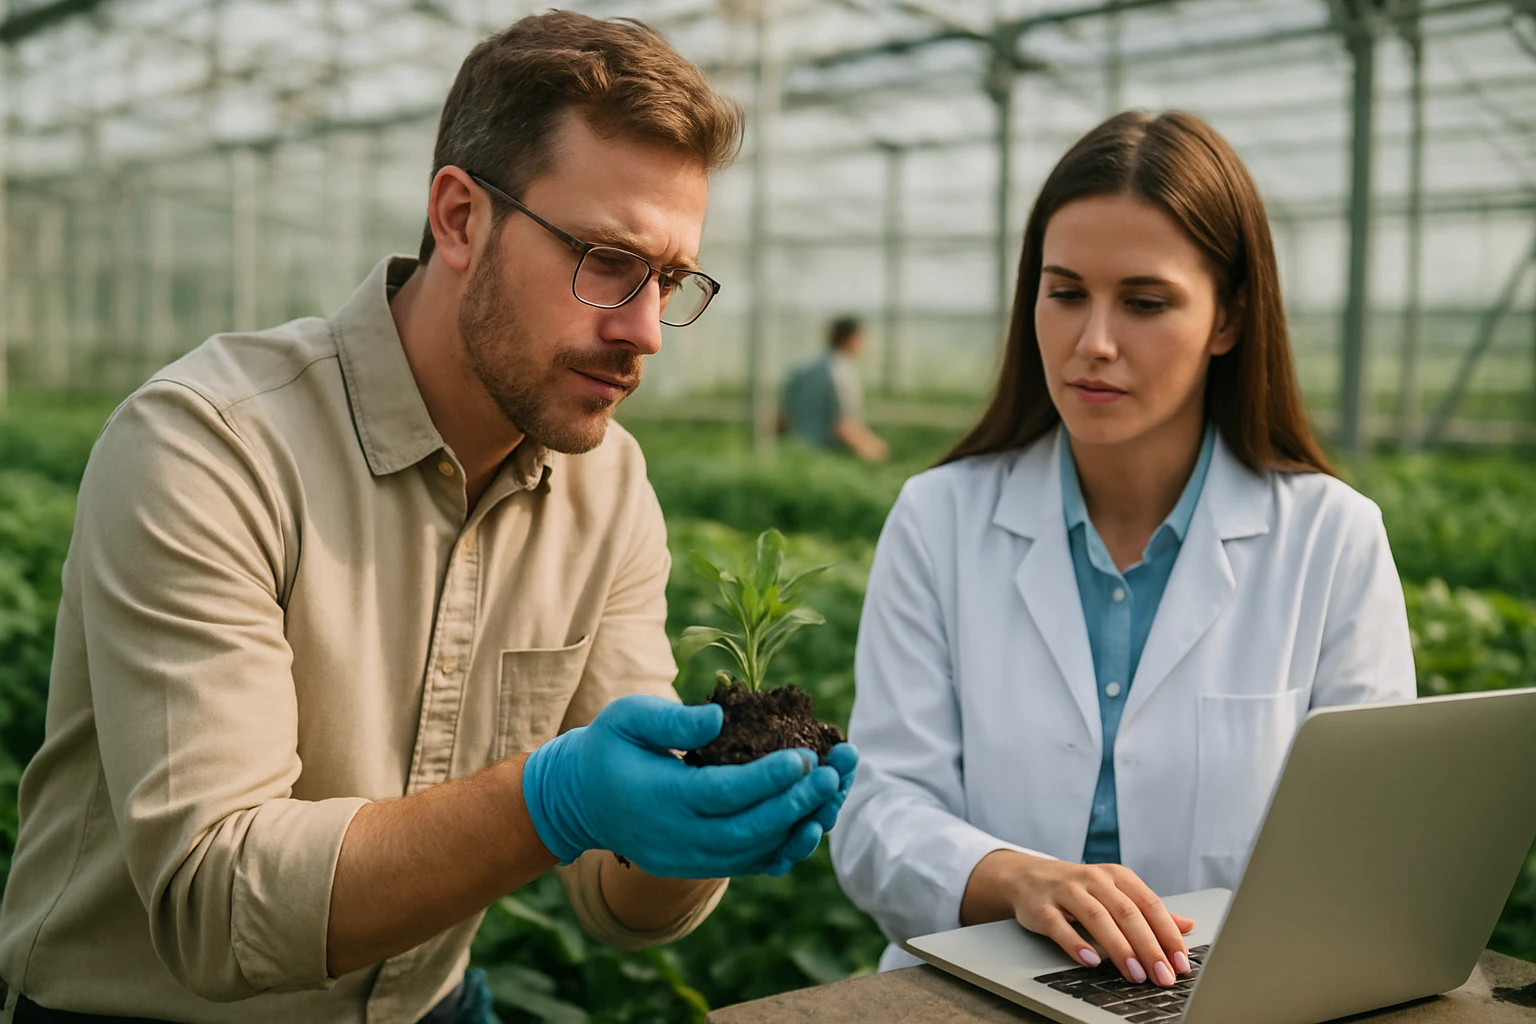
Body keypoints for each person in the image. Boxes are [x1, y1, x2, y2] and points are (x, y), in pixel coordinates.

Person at [0, 13, 856, 1023]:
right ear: (459, 217)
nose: (642, 330)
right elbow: (215, 906)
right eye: (607, 260)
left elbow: (617, 904)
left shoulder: (608, 486)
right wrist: (553, 800)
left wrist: (695, 828)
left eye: (669, 280)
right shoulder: (211, 447)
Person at [831, 111, 1414, 989]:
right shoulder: (938, 518)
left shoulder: (1330, 538)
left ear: (1229, 318)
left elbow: (1373, 845)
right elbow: (876, 812)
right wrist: (1015, 880)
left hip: (1235, 999)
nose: (1093, 341)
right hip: (979, 992)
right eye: (1065, 292)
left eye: (1144, 302)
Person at [780, 316, 889, 462]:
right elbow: (844, 426)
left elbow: (782, 418)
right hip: (827, 456)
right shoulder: (841, 372)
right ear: (851, 339)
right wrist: (876, 450)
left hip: (797, 453)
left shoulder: (803, 368)